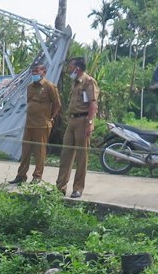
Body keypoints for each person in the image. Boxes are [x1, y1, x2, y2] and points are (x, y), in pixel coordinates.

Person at [10, 63, 61, 184]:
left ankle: (37, 176)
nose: (34, 74)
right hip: (29, 124)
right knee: (25, 151)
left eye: (37, 72)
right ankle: (21, 176)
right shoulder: (29, 87)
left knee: (39, 152)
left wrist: (50, 117)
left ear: (44, 72)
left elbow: (57, 104)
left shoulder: (49, 86)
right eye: (33, 72)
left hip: (42, 124)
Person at [56, 58, 99, 198]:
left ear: (77, 68)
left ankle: (78, 188)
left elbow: (93, 103)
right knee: (66, 155)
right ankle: (60, 187)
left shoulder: (88, 81)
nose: (69, 69)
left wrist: (90, 122)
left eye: (71, 67)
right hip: (72, 121)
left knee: (81, 157)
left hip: (83, 121)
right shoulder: (75, 83)